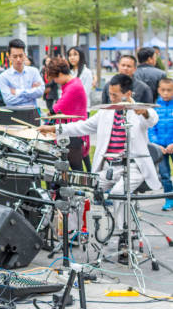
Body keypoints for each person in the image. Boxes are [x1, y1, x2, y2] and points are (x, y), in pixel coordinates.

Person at [38, 74, 161, 261]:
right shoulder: (106, 112)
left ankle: (123, 238)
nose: (111, 98)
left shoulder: (137, 112)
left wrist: (143, 112)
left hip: (135, 166)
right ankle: (77, 233)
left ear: (128, 94)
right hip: (110, 167)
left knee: (119, 193)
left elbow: (152, 118)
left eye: (115, 95)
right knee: (82, 192)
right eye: (109, 94)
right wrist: (56, 129)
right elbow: (83, 126)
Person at [45, 58, 87, 170]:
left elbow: (59, 106)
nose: (55, 81)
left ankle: (78, 188)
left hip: (74, 132)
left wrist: (49, 113)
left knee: (76, 168)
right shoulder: (72, 83)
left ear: (60, 74)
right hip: (71, 129)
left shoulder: (74, 86)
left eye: (55, 78)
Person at [0, 39, 44, 123]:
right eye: (15, 56)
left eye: (21, 56)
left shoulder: (34, 71)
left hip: (32, 114)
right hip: (13, 115)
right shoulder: (4, 76)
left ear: (25, 55)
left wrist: (17, 92)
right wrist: (31, 93)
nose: (18, 59)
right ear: (9, 57)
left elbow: (40, 92)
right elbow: (8, 100)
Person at [67, 46, 94, 171]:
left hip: (82, 112)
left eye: (75, 54)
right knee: (74, 144)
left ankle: (90, 170)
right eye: (70, 55)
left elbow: (85, 92)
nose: (72, 57)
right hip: (69, 113)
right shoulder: (68, 72)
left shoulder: (86, 72)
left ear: (81, 56)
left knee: (82, 142)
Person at [148, 78, 173, 211]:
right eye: (163, 90)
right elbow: (151, 128)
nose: (166, 93)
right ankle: (169, 198)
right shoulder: (155, 107)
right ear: (158, 90)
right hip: (161, 149)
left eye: (169, 90)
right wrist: (156, 144)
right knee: (164, 175)